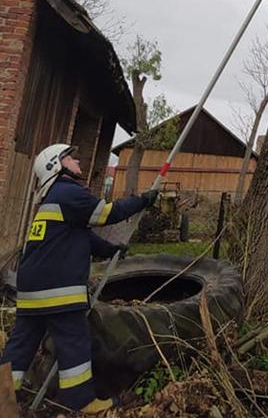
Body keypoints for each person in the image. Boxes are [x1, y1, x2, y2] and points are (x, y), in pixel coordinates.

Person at [1, 143, 159, 414]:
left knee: (21, 344)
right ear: (56, 165)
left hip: (30, 290)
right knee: (74, 342)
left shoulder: (52, 199)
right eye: (70, 157)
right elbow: (108, 213)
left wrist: (111, 250)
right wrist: (142, 200)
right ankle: (82, 402)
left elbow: (80, 238)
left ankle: (3, 400)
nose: (78, 161)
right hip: (57, 290)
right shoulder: (68, 192)